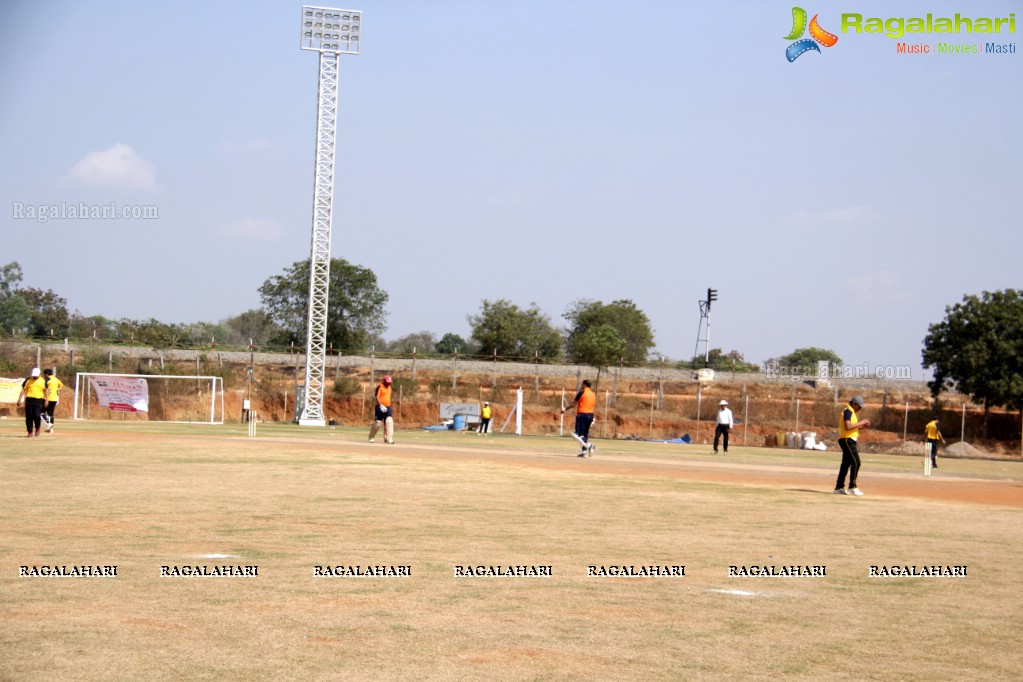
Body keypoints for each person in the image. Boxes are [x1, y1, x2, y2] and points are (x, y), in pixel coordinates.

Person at [835, 395, 871, 496]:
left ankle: (839, 487)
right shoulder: (848, 411)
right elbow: (848, 427)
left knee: (846, 464)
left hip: (849, 439)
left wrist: (862, 426)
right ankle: (852, 486)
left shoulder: (852, 412)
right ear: (854, 404)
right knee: (856, 462)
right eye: (859, 406)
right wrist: (862, 422)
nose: (860, 409)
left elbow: (853, 428)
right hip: (847, 440)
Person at [561, 379, 597, 457]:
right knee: (584, 435)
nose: (581, 386)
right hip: (590, 415)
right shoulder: (593, 394)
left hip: (582, 415)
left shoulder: (582, 392)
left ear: (584, 385)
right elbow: (592, 406)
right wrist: (593, 418)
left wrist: (564, 409)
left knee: (578, 435)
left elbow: (574, 404)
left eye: (582, 384)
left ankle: (590, 446)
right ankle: (584, 452)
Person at [16, 368, 47, 437]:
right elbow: (23, 390)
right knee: (29, 417)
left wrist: (46, 400)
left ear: (39, 374)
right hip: (29, 400)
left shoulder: (43, 381)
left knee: (36, 415)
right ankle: (30, 431)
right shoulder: (28, 380)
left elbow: (46, 390)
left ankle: (37, 428)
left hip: (39, 400)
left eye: (36, 375)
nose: (34, 377)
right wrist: (19, 399)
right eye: (33, 375)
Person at [368, 375, 394, 444]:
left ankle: (389, 438)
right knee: (378, 423)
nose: (389, 383)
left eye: (390, 382)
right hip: (380, 407)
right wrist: (380, 405)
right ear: (384, 381)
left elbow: (388, 397)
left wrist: (389, 405)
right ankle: (371, 437)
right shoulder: (380, 387)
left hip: (388, 407)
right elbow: (377, 397)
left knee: (389, 421)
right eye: (387, 382)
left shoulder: (390, 388)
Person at [41, 368, 63, 433]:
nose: (44, 375)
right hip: (55, 398)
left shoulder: (47, 379)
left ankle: (48, 424)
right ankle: (50, 429)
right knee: (50, 413)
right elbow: (61, 385)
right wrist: (57, 390)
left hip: (47, 398)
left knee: (41, 413)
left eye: (44, 374)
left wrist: (48, 391)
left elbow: (43, 387)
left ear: (47, 374)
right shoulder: (56, 379)